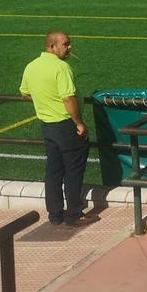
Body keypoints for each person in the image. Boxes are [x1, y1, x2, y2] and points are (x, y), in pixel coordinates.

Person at [20, 31, 96, 228]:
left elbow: (25, 93)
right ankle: (74, 214)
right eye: (66, 44)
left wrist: (44, 101)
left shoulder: (32, 66)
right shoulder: (61, 68)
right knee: (73, 170)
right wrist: (79, 123)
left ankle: (55, 214)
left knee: (53, 170)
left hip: (48, 126)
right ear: (52, 46)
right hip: (66, 126)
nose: (69, 47)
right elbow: (68, 98)